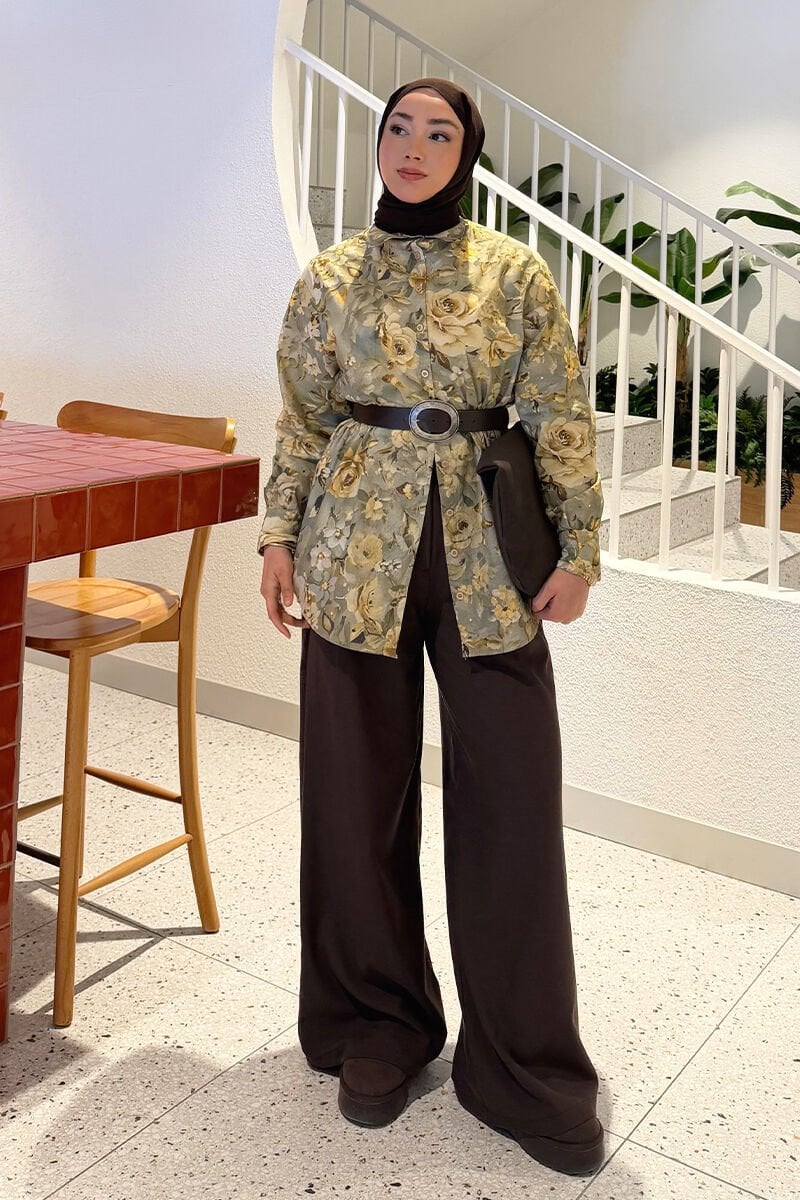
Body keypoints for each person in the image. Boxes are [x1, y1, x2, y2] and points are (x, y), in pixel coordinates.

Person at [258, 78, 605, 1177]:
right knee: (354, 795)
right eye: (398, 128)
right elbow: (302, 417)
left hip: (486, 546)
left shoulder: (514, 272)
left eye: (439, 132)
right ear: (379, 145)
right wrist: (277, 536)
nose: (414, 146)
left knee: (511, 799)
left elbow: (559, 409)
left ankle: (524, 1068)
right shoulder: (328, 279)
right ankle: (378, 1023)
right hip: (351, 546)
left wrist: (580, 549)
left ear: (466, 154)